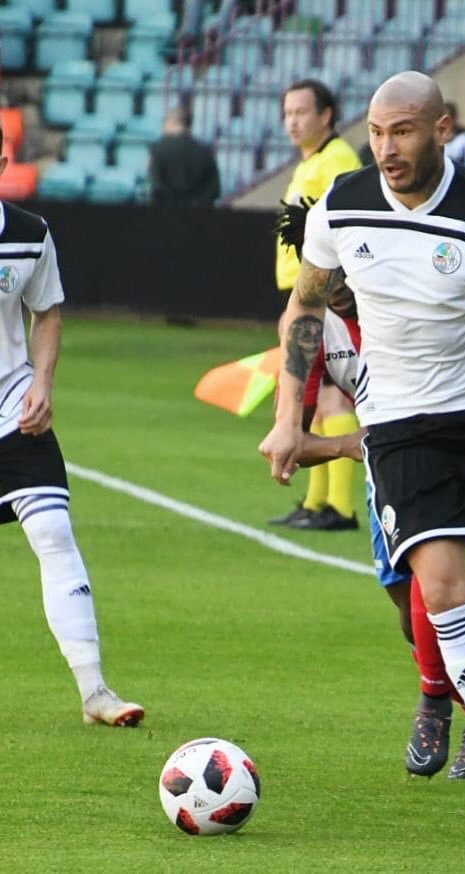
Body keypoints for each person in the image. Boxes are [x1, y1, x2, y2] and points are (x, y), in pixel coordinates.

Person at [260, 70, 465, 835]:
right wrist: (286, 416)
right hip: (401, 425)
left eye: (401, 131)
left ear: (441, 130)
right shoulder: (341, 205)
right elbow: (306, 307)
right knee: (440, 598)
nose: (385, 148)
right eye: (375, 133)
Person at [0, 132, 143, 728]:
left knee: (55, 533)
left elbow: (47, 312)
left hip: (11, 407)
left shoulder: (29, 233)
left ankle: (95, 692)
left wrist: (43, 386)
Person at [269, 78, 362, 532]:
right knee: (319, 396)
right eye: (287, 112)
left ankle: (339, 507)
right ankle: (317, 499)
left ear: (326, 115)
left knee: (331, 394)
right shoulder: (310, 163)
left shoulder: (339, 160)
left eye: (301, 111)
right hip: (305, 295)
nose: (292, 120)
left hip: (328, 296)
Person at [148, 105, 220, 207]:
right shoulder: (205, 151)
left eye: (165, 122)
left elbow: (156, 186)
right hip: (198, 217)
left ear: (173, 122)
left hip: (166, 216)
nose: (163, 126)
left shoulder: (157, 149)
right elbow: (214, 190)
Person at [442, 101, 465, 168]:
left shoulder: (464, 139)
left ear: (454, 119)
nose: (444, 122)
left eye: (447, 118)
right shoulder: (434, 140)